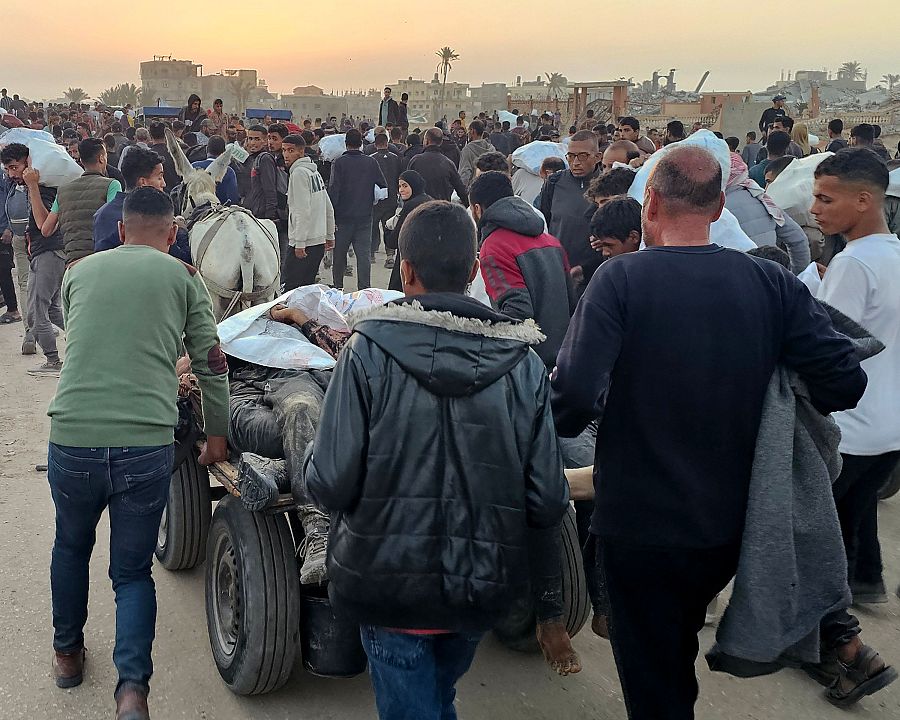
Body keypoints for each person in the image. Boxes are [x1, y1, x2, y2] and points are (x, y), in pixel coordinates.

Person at [551, 145, 883, 720]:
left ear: (650, 203)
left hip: (639, 519)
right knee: (677, 641)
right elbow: (844, 381)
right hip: (730, 523)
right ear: (716, 205)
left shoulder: (619, 279)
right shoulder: (768, 283)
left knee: (656, 671)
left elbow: (572, 399)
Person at [303, 199, 569, 720]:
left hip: (384, 587)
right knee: (438, 698)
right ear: (474, 271)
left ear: (404, 270)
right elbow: (549, 498)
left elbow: (329, 482)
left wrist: (315, 449)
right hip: (481, 587)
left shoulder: (366, 351)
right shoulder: (523, 362)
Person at [46, 187, 229, 720]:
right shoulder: (184, 277)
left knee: (70, 548)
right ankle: (132, 692)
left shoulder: (78, 272)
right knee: (130, 574)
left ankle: (66, 655)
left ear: (121, 231)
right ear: (174, 236)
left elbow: (76, 329)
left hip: (73, 437)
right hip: (144, 446)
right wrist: (215, 434)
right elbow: (211, 361)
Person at [813, 149, 900, 605]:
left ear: (863, 200)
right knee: (856, 512)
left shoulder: (853, 263)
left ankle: (827, 633)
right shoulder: (893, 254)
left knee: (811, 534)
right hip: (889, 428)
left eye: (826, 200)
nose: (814, 210)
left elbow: (829, 352)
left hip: (851, 428)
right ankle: (868, 581)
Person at [472, 171, 575, 368]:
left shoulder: (494, 245)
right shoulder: (550, 241)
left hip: (527, 362)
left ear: (477, 208)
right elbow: (571, 301)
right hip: (560, 358)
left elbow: (517, 311)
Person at [1, 143, 66, 375]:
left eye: (14, 167)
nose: (11, 174)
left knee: (35, 312)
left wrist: (33, 185)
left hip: (48, 251)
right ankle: (91, 340)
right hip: (47, 252)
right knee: (54, 311)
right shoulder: (20, 186)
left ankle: (53, 360)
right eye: (7, 169)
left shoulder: (43, 189)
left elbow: (44, 224)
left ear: (28, 163)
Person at [93, 145, 191, 264]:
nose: (164, 184)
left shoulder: (102, 214)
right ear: (143, 182)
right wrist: (181, 231)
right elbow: (181, 259)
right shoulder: (155, 215)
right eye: (159, 177)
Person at [38, 138, 122, 266]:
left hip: (72, 263)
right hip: (100, 261)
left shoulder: (63, 190)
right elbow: (115, 223)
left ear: (81, 161)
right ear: (101, 158)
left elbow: (46, 230)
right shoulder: (112, 185)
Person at [724, 152, 811, 273]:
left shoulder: (712, 208)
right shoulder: (762, 198)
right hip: (771, 280)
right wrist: (795, 278)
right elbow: (798, 239)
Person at [538, 130, 602, 290]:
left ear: (598, 157)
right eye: (571, 156)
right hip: (557, 269)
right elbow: (544, 222)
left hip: (594, 274)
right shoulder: (554, 182)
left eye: (583, 156)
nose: (576, 162)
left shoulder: (607, 185)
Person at [327, 128, 387, 290]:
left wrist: (331, 216)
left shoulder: (339, 162)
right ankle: (364, 289)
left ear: (346, 144)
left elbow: (334, 190)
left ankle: (338, 287)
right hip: (365, 217)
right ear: (361, 144)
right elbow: (382, 186)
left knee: (339, 255)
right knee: (363, 256)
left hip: (342, 218)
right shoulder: (371, 162)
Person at [283, 134, 334, 290]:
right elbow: (328, 205)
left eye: (290, 150)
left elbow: (302, 210)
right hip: (317, 241)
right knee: (307, 289)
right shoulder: (314, 172)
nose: (286, 154)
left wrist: (299, 243)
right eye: (284, 150)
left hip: (303, 243)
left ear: (301, 151)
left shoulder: (299, 173)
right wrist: (329, 234)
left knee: (291, 290)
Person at [386, 170, 432, 290]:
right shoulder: (430, 200)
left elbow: (394, 241)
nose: (401, 190)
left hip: (408, 262)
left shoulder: (411, 205)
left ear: (414, 185)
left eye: (405, 186)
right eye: (400, 186)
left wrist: (387, 229)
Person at [407, 127, 468, 204]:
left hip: (420, 208)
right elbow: (460, 189)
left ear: (426, 141)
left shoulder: (415, 161)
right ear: (441, 142)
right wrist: (468, 205)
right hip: (442, 208)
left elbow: (407, 184)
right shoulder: (448, 163)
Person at [191, 136, 240, 206]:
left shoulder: (194, 167)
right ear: (224, 152)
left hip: (196, 213)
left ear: (206, 149)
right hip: (221, 214)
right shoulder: (228, 171)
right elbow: (233, 199)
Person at [458, 120, 495, 188]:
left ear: (472, 131)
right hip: (491, 185)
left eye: (469, 130)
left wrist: (462, 190)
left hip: (475, 187)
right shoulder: (491, 148)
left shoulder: (467, 150)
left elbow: (465, 172)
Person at [146, 122, 181, 192]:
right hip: (177, 193)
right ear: (165, 135)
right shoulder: (176, 153)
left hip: (158, 194)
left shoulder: (148, 155)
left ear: (150, 136)